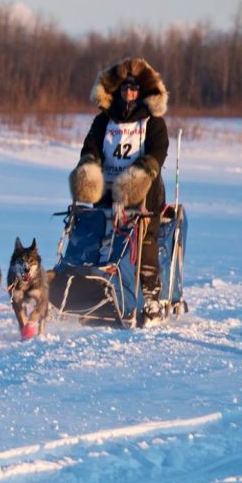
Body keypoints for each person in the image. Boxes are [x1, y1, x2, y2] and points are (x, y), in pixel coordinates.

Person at [69, 57, 170, 322]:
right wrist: (88, 166)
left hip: (145, 190)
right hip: (107, 188)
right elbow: (90, 146)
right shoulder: (104, 120)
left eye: (134, 89)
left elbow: (158, 152)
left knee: (144, 236)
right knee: (100, 237)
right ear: (117, 91)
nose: (129, 94)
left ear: (143, 92)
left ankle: (150, 295)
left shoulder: (152, 122)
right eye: (125, 89)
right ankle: (92, 290)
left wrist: (140, 175)